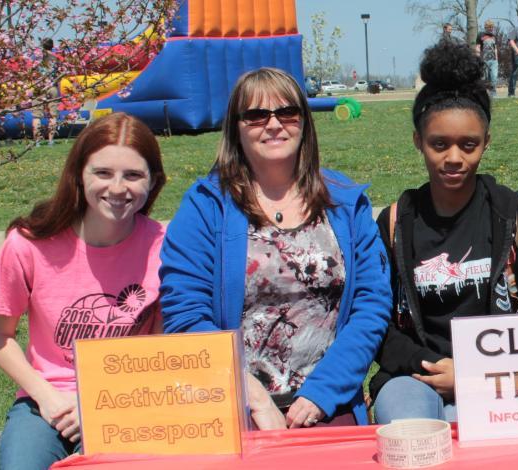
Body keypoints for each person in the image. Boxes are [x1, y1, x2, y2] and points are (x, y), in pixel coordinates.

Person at [160, 68, 391, 429]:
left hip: (327, 404)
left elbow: (371, 305)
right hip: (234, 405)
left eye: (287, 112)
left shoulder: (345, 203)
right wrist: (251, 397)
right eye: (255, 115)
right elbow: (186, 317)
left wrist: (322, 393)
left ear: (304, 122)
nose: (273, 124)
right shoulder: (206, 207)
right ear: (235, 127)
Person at [370, 41, 518, 423]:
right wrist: (438, 367)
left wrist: (473, 374)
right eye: (439, 144)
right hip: (415, 373)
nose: (454, 158)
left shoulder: (517, 217)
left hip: (500, 376)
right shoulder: (394, 222)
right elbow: (379, 327)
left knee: (474, 434)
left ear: (486, 143)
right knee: (411, 433)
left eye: (468, 145)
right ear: (418, 141)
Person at [0, 112, 168, 470]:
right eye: (102, 173)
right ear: (78, 175)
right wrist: (48, 398)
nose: (117, 188)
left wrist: (104, 407)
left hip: (133, 399)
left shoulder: (165, 247)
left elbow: (162, 346)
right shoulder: (27, 244)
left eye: (133, 175)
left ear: (153, 181)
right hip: (47, 400)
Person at [32, 38, 60, 146]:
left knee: (36, 116)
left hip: (39, 87)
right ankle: (50, 141)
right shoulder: (55, 58)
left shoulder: (37, 58)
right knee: (53, 116)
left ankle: (37, 142)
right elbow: (59, 74)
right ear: (52, 46)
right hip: (52, 86)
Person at [476, 20, 500, 97]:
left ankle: (493, 95)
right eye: (490, 27)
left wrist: (497, 59)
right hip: (484, 60)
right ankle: (484, 95)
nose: (491, 28)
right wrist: (478, 58)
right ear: (486, 27)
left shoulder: (493, 36)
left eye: (492, 27)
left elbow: (495, 48)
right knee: (484, 78)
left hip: (493, 61)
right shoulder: (480, 35)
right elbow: (478, 47)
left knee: (494, 77)